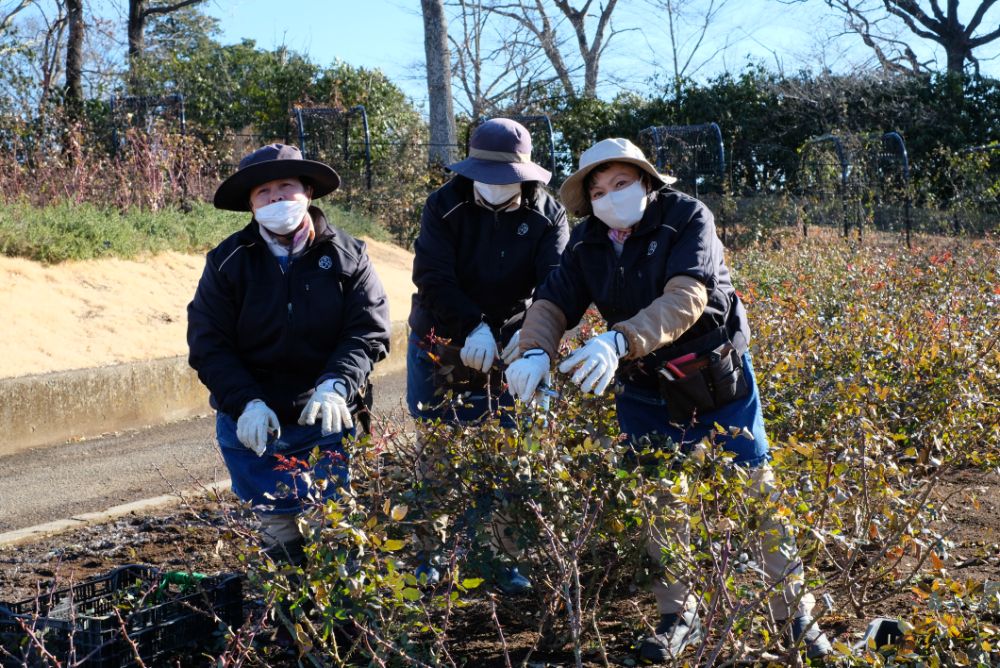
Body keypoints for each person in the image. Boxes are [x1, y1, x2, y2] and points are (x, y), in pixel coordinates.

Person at [504, 138, 832, 662]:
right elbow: (553, 299)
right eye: (598, 189)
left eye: (620, 183)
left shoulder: (687, 219)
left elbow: (688, 298)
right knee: (660, 501)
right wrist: (535, 350)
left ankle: (794, 617)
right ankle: (679, 615)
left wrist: (617, 340)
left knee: (758, 495)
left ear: (647, 181)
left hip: (714, 379)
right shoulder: (587, 242)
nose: (610, 196)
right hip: (644, 389)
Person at [188, 143, 391, 564]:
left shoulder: (347, 255)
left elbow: (367, 330)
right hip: (255, 423)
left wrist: (338, 383)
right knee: (278, 532)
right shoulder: (228, 261)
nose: (276, 198)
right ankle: (288, 622)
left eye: (286, 187)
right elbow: (209, 343)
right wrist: (245, 401)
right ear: (250, 204)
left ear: (308, 193)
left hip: (326, 414)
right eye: (263, 192)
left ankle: (345, 623)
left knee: (334, 528)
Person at [407, 118, 569, 591]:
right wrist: (471, 325)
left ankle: (502, 557)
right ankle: (431, 555)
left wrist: (531, 334)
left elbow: (557, 280)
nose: (497, 186)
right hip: (444, 338)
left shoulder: (548, 213)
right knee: (439, 450)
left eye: (507, 178)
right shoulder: (443, 205)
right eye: (487, 175)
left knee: (517, 449)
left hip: (518, 340)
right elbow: (432, 276)